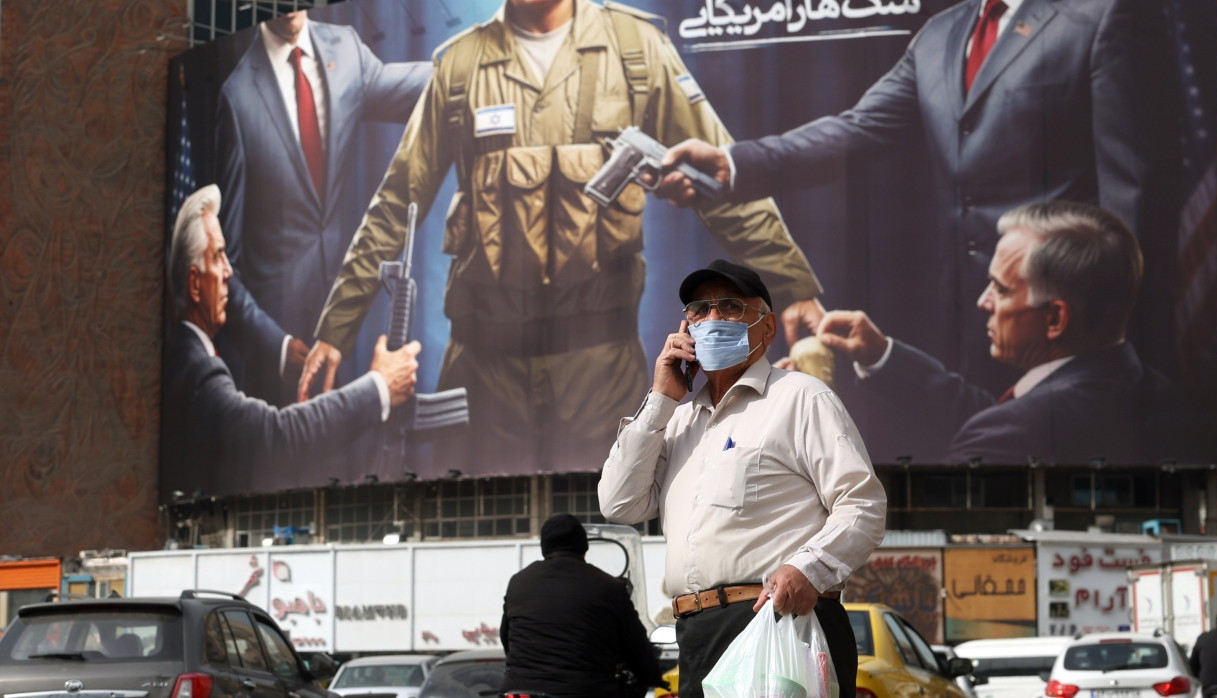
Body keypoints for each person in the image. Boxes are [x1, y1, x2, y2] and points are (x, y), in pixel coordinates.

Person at [298, 0, 826, 477]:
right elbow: (397, 202)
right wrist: (336, 328)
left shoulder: (636, 47)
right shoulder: (459, 65)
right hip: (486, 362)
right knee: (476, 504)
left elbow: (717, 182)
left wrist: (791, 282)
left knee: (615, 504)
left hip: (599, 361)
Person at [650, 0, 1182, 403]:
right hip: (972, 314)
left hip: (1072, 324)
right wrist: (734, 162)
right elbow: (858, 131)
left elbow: (1133, 198)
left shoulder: (1105, 15)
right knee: (989, 441)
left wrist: (1120, 338)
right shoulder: (943, 34)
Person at [598, 259, 887, 698]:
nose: (712, 320)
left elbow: (862, 505)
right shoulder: (677, 422)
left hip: (779, 622)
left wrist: (808, 569)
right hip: (697, 634)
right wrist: (660, 399)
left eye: (730, 307)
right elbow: (619, 504)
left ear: (766, 328)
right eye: (699, 310)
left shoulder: (800, 398)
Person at [815, 201, 1181, 464]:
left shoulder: (1012, 433)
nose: (982, 302)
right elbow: (1002, 416)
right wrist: (881, 357)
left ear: (1055, 319)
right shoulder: (1160, 395)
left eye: (1001, 290)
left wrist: (811, 413)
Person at [215, 10, 430, 405]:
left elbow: (417, 88)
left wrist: (479, 62)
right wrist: (278, 347)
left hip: (349, 336)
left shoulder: (345, 48)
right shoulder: (238, 97)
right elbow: (224, 264)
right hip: (281, 362)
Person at [160, 184, 422, 501]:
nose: (229, 271)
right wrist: (378, 387)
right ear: (194, 284)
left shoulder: (188, 359)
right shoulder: (197, 372)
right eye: (217, 257)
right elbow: (278, 438)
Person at [499, 513, 662, 698]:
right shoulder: (608, 587)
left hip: (518, 690)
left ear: (544, 546)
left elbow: (506, 637)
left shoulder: (518, 582)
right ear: (584, 546)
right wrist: (653, 675)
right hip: (584, 690)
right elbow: (636, 647)